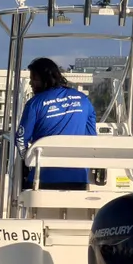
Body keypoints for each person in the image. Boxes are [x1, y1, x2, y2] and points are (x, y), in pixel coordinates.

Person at [15, 57, 97, 190]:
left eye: (34, 79)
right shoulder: (84, 100)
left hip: (41, 179)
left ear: (46, 78)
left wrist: (27, 161)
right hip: (78, 178)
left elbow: (20, 140)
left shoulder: (34, 104)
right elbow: (91, 138)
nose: (31, 83)